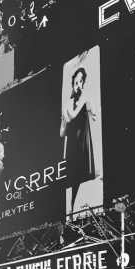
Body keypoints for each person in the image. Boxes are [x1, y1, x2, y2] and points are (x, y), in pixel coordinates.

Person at [61, 67, 97, 216]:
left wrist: (88, 103)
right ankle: (70, 208)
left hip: (83, 140)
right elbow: (67, 124)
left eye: (81, 81)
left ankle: (78, 209)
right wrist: (64, 121)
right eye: (76, 81)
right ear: (73, 83)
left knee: (83, 176)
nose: (79, 84)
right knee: (72, 178)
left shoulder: (85, 100)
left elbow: (94, 114)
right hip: (72, 144)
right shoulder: (69, 103)